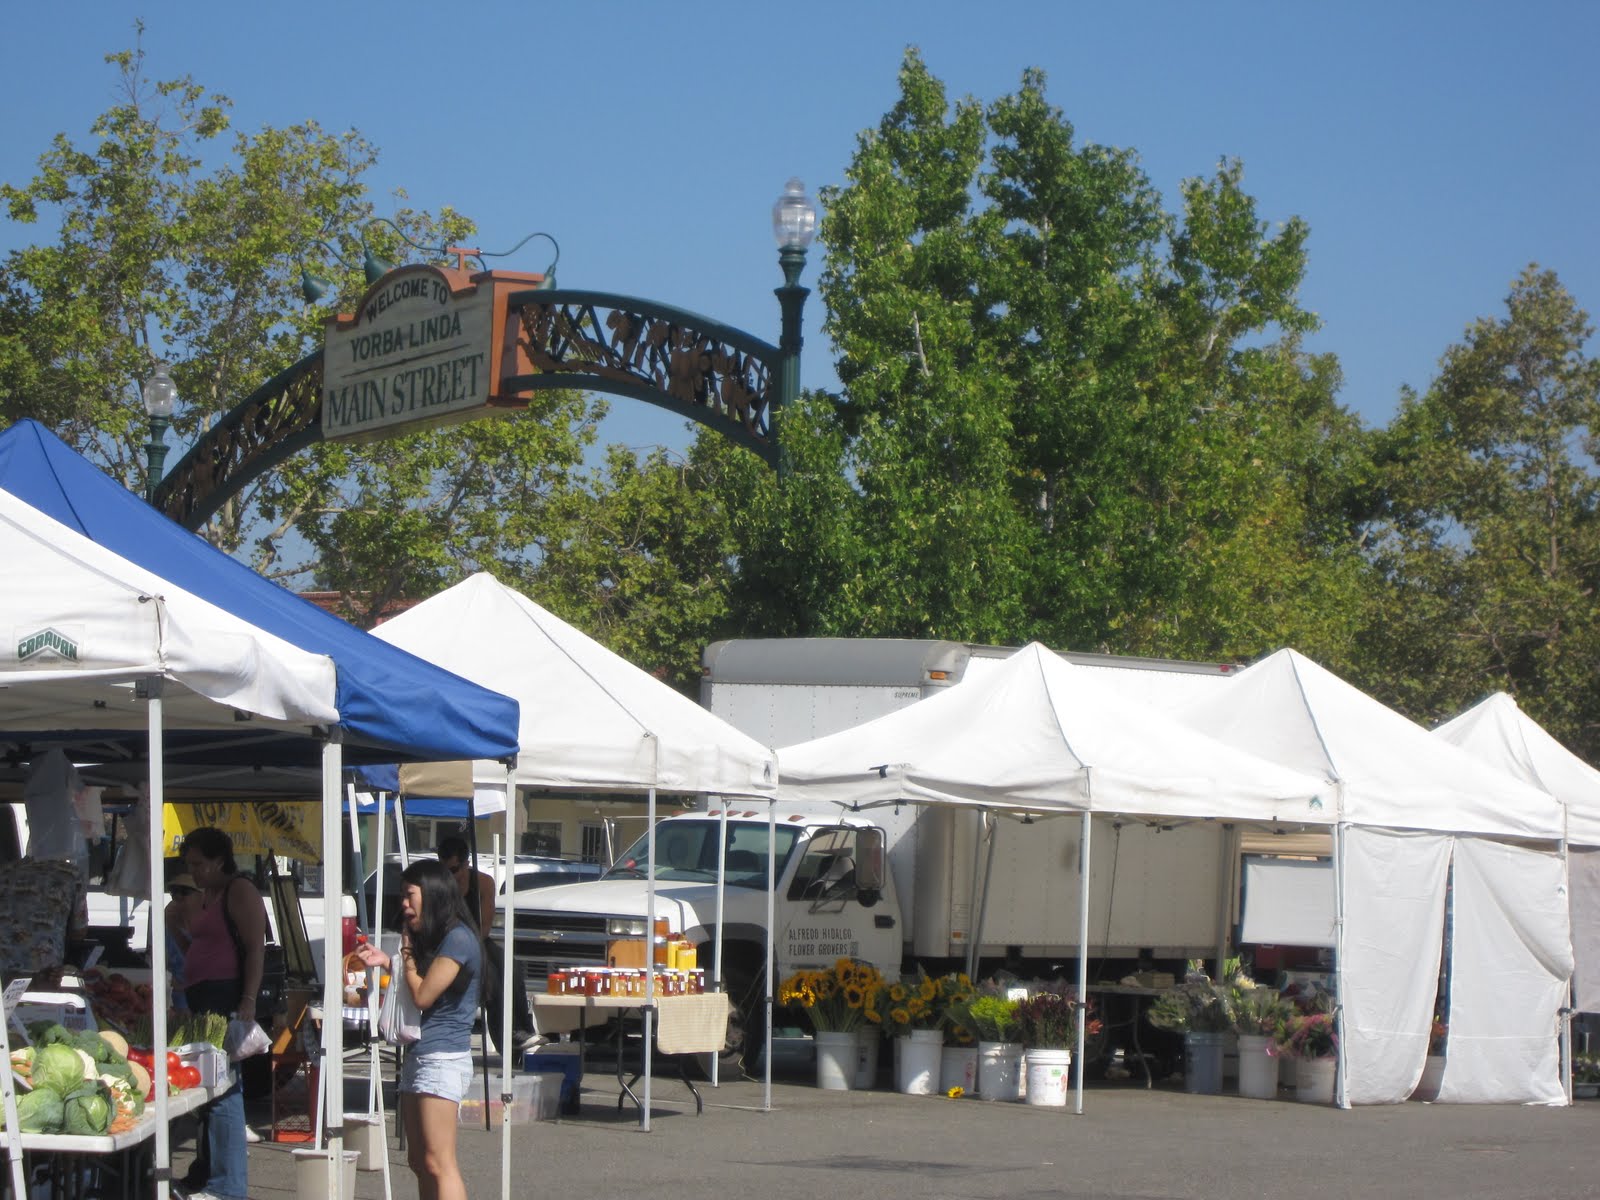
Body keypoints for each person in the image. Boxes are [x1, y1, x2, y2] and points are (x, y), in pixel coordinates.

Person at [355, 859, 479, 1200]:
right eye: (402, 896)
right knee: (418, 1160)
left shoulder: (459, 939)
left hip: (443, 1059)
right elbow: (422, 980)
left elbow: (423, 994)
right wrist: (390, 960)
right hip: (420, 1055)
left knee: (440, 1162)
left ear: (433, 894)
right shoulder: (437, 937)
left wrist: (405, 954)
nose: (404, 905)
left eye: (410, 895)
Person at [178, 828, 266, 1200]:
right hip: (200, 996)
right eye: (190, 865)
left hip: (225, 996)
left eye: (199, 864)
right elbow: (196, 943)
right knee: (208, 1090)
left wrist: (248, 999)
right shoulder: (205, 896)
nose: (194, 872)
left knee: (224, 1088)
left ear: (218, 861)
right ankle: (207, 1173)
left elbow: (255, 948)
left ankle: (227, 1186)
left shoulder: (239, 890)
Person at [437, 835, 537, 1054]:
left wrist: (471, 946)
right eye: (445, 872)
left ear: (466, 864)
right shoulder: (439, 887)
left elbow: (485, 926)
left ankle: (521, 1028)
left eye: (454, 871)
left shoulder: (483, 883)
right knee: (489, 973)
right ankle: (505, 1038)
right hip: (447, 942)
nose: (450, 877)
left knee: (509, 965)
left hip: (476, 938)